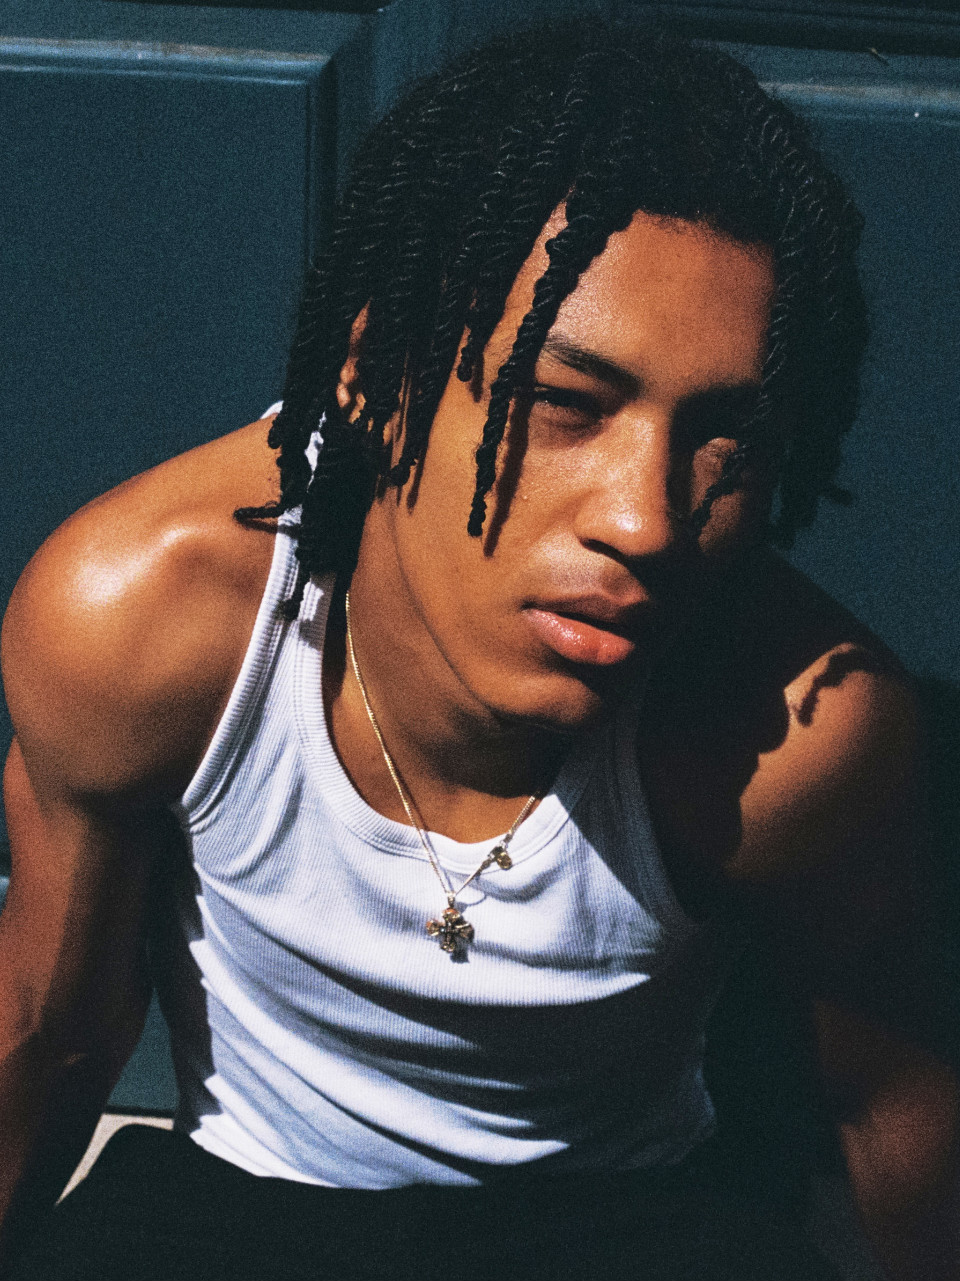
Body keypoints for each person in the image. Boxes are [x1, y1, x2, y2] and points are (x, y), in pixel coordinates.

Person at [1, 18, 957, 1280]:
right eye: (563, 404)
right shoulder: (148, 618)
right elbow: (50, 1037)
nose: (646, 520)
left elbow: (889, 1110)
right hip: (242, 1202)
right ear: (370, 378)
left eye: (727, 438)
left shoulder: (788, 731)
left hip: (628, 1217)